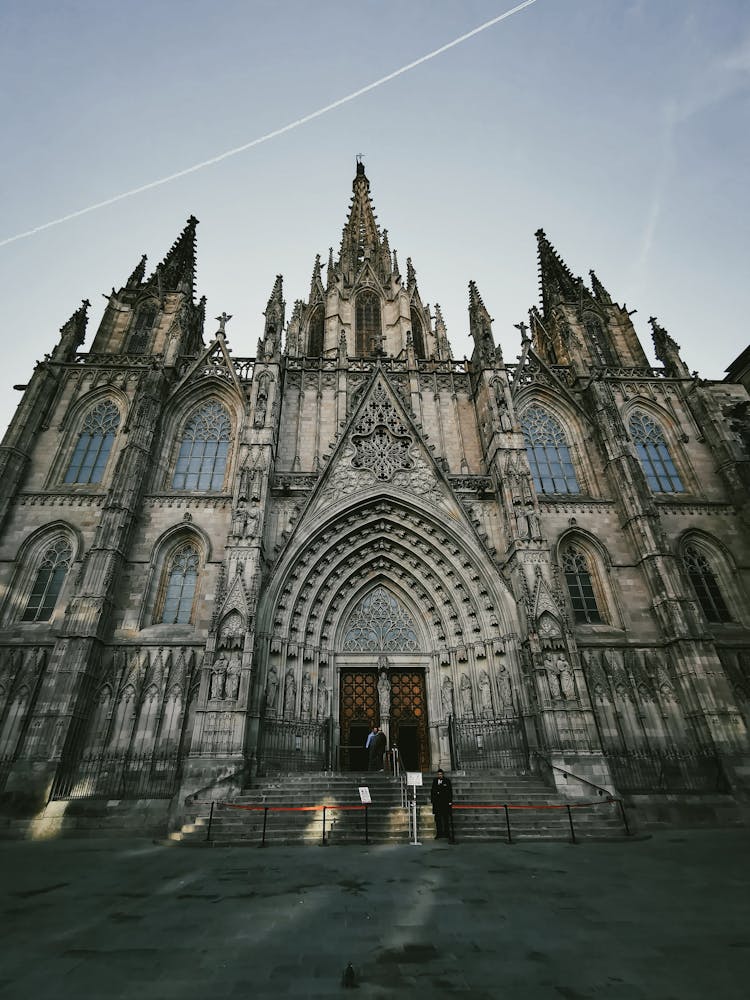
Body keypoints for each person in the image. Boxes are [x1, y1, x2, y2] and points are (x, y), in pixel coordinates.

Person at [430, 769, 453, 840]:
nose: (440, 775)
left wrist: (450, 801)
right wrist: (433, 800)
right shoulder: (435, 781)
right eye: (438, 774)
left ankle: (447, 833)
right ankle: (439, 833)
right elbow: (432, 791)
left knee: (446, 819)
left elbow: (449, 791)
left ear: (443, 774)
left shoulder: (447, 781)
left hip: (445, 803)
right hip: (437, 803)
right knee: (438, 819)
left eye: (441, 774)